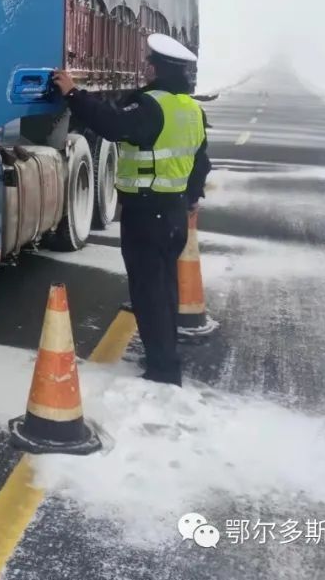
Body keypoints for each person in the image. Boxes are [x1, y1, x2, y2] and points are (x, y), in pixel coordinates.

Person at [53, 34, 210, 386]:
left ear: (159, 68)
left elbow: (112, 125)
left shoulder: (153, 107)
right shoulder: (191, 110)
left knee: (149, 291)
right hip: (172, 213)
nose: (148, 68)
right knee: (165, 288)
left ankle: (163, 370)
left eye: (151, 63)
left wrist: (73, 94)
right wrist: (192, 198)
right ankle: (165, 355)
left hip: (147, 214)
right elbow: (201, 163)